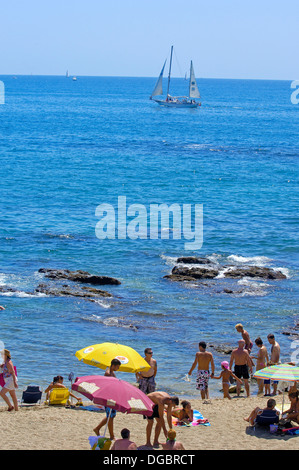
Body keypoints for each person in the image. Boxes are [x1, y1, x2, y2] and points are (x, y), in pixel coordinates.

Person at [93, 358, 121, 439]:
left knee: (111, 415)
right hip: (109, 396)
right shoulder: (108, 373)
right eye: (117, 367)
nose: (118, 369)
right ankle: (111, 435)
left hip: (112, 396)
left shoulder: (111, 372)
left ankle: (97, 428)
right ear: (113, 366)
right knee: (110, 416)